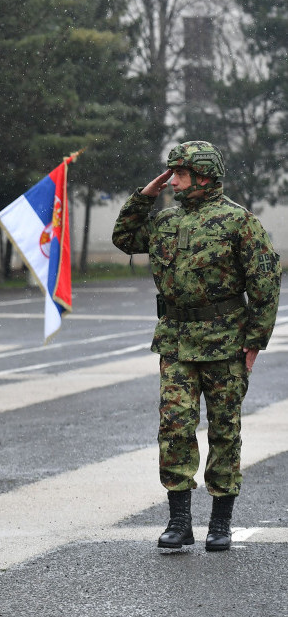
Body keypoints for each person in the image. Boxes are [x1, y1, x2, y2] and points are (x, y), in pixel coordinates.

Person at [112, 140, 281, 552]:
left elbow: (265, 282)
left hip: (226, 342)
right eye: (170, 175)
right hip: (175, 340)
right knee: (175, 428)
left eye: (180, 174)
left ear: (204, 176)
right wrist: (144, 196)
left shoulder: (239, 222)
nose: (173, 182)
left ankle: (220, 522)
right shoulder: (166, 220)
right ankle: (180, 521)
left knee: (224, 430)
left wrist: (255, 341)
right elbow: (124, 237)